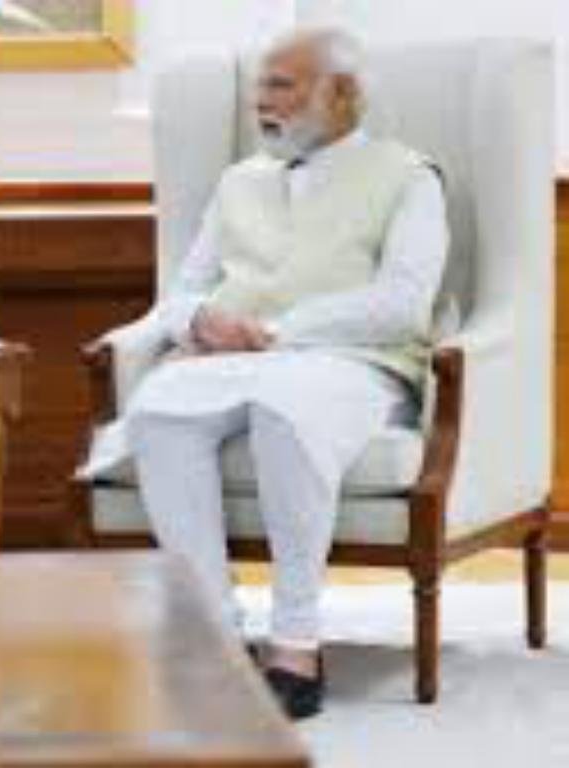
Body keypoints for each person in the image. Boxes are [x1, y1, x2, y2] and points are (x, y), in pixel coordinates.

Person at [121, 28, 447, 720]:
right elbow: (182, 291)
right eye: (259, 85)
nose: (258, 101)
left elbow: (403, 303)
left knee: (285, 409)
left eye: (280, 85)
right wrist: (199, 321)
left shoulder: (410, 177)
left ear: (342, 93)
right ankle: (213, 633)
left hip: (352, 363)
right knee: (156, 411)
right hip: (230, 359)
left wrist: (278, 333)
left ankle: (296, 644)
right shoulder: (237, 182)